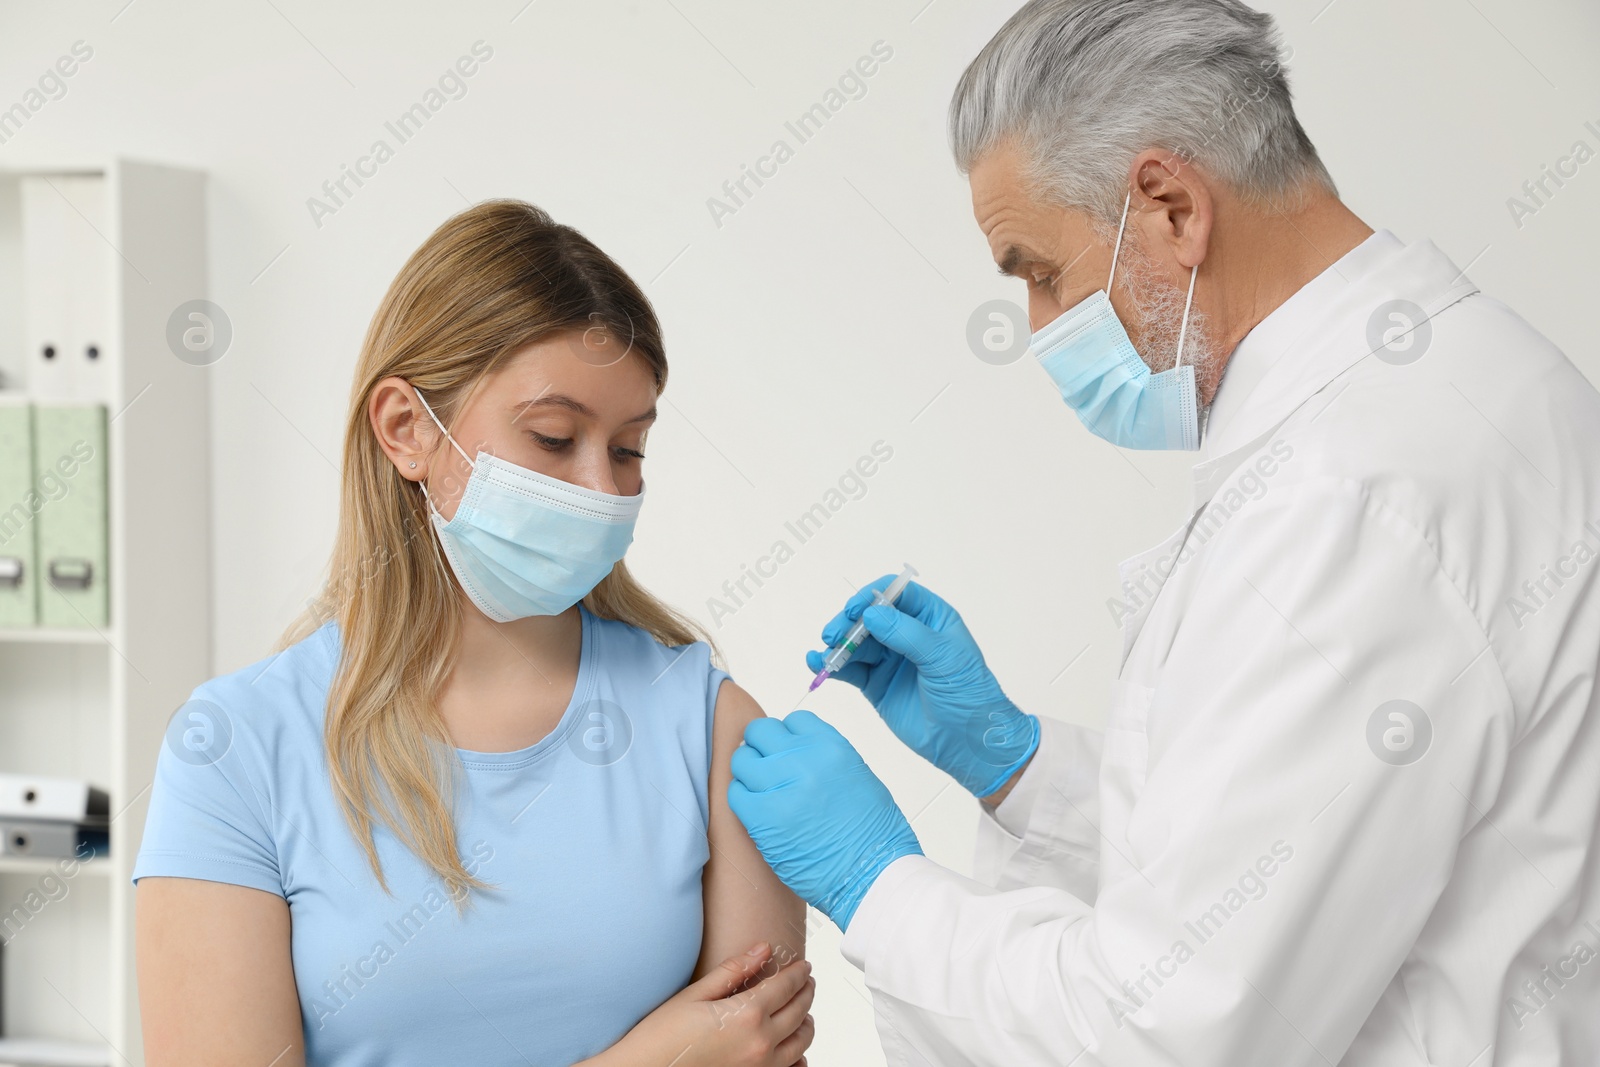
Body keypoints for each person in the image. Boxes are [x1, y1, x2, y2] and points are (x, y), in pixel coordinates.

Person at [727, 0, 1600, 1063]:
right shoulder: (1466, 378)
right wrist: (1017, 763)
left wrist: (880, 888)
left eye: (1039, 273)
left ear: (1171, 207)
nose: (1041, 329)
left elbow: (1168, 1030)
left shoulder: (1344, 493)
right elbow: (1297, 859)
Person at [134, 200, 814, 1067]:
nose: (601, 488)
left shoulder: (706, 725)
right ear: (407, 430)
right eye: (555, 437)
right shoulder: (236, 747)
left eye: (630, 449)